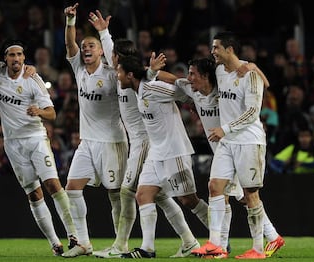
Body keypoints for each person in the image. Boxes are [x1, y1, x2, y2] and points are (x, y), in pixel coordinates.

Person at [89, 10, 201, 258]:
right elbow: (113, 53)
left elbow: (159, 79)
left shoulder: (136, 77)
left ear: (123, 63)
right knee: (157, 195)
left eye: (114, 59)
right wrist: (103, 31)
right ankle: (190, 241)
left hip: (145, 142)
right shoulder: (127, 73)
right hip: (144, 142)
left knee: (128, 191)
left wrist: (182, 90)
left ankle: (121, 246)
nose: (111, 63)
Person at [158, 57, 285, 258]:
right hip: (223, 151)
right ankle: (273, 237)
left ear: (206, 76)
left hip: (237, 145)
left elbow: (262, 84)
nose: (189, 79)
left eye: (193, 74)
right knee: (241, 197)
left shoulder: (223, 89)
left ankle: (220, 246)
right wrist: (150, 71)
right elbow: (173, 79)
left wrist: (253, 66)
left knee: (226, 194)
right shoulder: (193, 90)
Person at [0, 39, 82, 257]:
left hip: (36, 139)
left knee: (52, 184)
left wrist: (39, 112)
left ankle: (74, 235)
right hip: (13, 145)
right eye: (12, 55)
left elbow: (52, 112)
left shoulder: (33, 78)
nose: (17, 59)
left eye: (20, 55)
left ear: (24, 58)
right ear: (5, 58)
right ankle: (55, 243)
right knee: (33, 193)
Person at [115, 53, 208, 258]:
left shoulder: (151, 89)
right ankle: (147, 248)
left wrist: (194, 103)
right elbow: (147, 77)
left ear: (130, 74)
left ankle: (219, 237)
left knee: (188, 200)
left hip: (174, 151)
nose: (117, 76)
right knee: (143, 194)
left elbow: (180, 91)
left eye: (119, 72)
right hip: (157, 152)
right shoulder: (140, 89)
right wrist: (151, 72)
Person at [190, 31, 271, 259]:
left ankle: (258, 249)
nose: (212, 51)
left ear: (230, 49)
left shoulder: (250, 75)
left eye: (216, 47)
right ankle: (215, 244)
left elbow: (253, 111)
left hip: (249, 141)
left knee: (250, 195)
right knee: (215, 186)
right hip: (227, 142)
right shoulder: (218, 71)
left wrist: (224, 128)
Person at [62, 3, 129, 257]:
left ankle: (119, 244)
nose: (86, 49)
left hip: (112, 141)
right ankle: (83, 243)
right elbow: (70, 45)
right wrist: (70, 22)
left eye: (91, 46)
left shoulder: (112, 73)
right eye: (85, 46)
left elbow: (116, 58)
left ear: (101, 51)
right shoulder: (79, 69)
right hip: (87, 142)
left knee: (115, 195)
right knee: (72, 188)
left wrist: (104, 33)